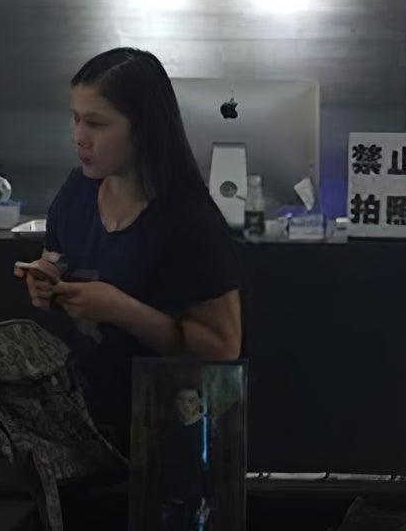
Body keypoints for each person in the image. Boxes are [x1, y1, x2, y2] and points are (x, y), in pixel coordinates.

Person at [15, 47, 242, 444]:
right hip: (84, 419)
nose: (79, 137)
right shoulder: (77, 191)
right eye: (75, 119)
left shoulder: (188, 220)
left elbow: (222, 349)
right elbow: (56, 256)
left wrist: (121, 309)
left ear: (141, 129)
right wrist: (45, 277)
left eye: (96, 124)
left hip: (166, 429)